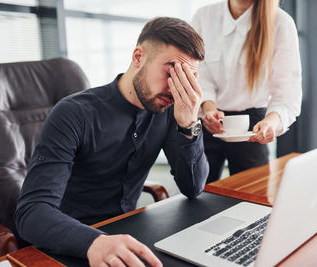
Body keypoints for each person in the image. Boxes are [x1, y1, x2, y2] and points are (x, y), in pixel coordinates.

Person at [14, 17, 209, 267]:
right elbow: (31, 213)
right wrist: (93, 242)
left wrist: (189, 124)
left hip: (131, 234)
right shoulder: (73, 113)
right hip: (72, 243)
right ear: (138, 57)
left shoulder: (169, 109)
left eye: (188, 77)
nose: (176, 88)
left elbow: (193, 188)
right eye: (171, 70)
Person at [191, 0, 302, 183]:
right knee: (198, 191)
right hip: (208, 118)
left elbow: (286, 94)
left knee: (250, 200)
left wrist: (270, 123)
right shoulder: (204, 17)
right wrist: (208, 108)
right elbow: (198, 73)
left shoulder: (281, 23)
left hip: (253, 126)